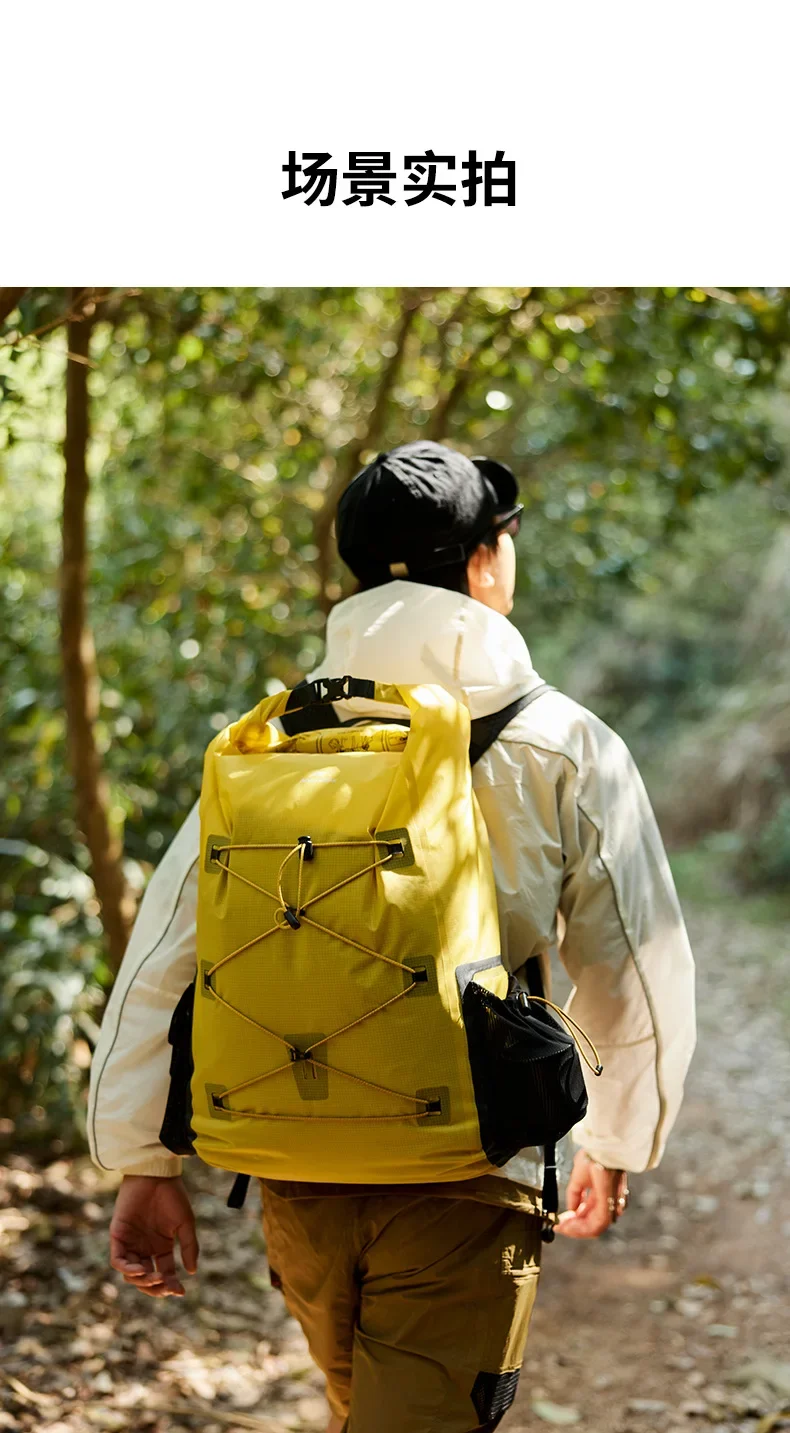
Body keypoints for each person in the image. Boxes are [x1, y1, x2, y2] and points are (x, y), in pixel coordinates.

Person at [89, 440, 696, 1433]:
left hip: (288, 1157)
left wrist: (141, 1161)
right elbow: (630, 959)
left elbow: (166, 951)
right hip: (467, 1170)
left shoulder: (265, 744)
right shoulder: (562, 741)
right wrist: (621, 1136)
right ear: (486, 562)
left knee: (360, 1407)